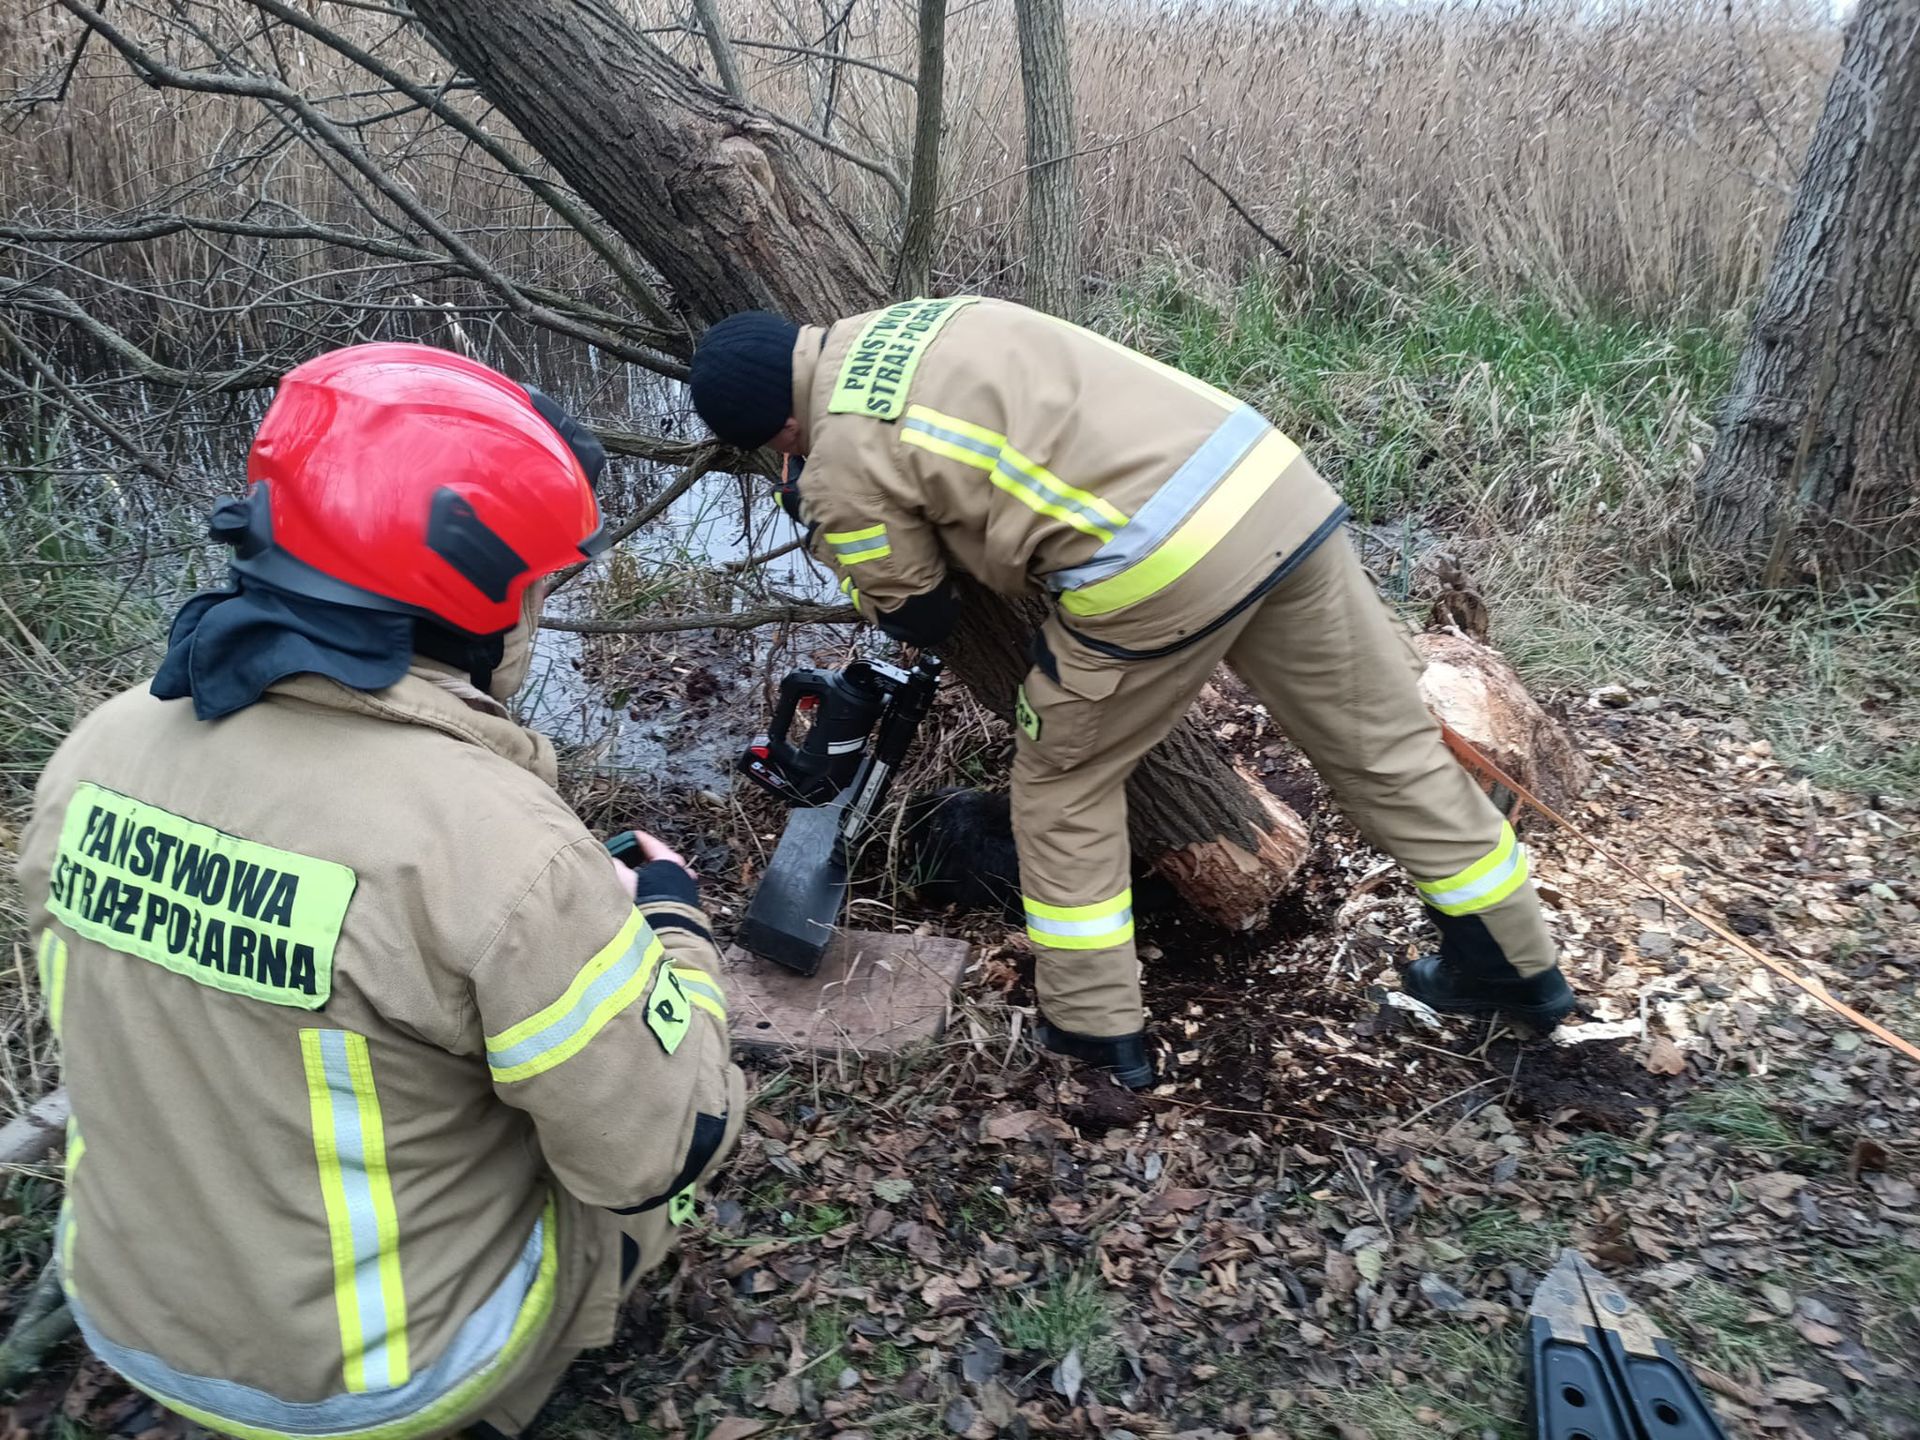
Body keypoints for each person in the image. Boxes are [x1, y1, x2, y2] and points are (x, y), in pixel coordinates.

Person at [17, 343, 743, 1439]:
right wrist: (673, 934)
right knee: (637, 1168)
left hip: (125, 1314)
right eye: (538, 595)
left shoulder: (98, 748)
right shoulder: (495, 845)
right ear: (475, 595)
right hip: (378, 1381)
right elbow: (657, 1149)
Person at [687, 296, 1576, 1088]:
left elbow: (916, 613)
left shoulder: (835, 461)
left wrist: (832, 525)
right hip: (1276, 493)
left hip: (1160, 567)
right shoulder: (930, 316)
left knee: (1063, 785)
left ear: (778, 433)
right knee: (1386, 748)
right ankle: (1511, 961)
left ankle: (1092, 1033)